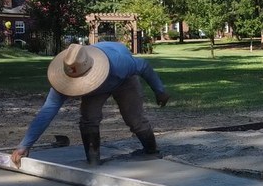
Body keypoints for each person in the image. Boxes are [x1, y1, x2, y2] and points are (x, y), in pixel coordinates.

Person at [10, 42, 170, 167]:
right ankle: (93, 161)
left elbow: (144, 66)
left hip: (122, 81)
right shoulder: (65, 80)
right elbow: (47, 111)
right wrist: (25, 144)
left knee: (134, 117)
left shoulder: (119, 63)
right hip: (97, 87)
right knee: (88, 117)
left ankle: (151, 151)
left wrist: (159, 90)